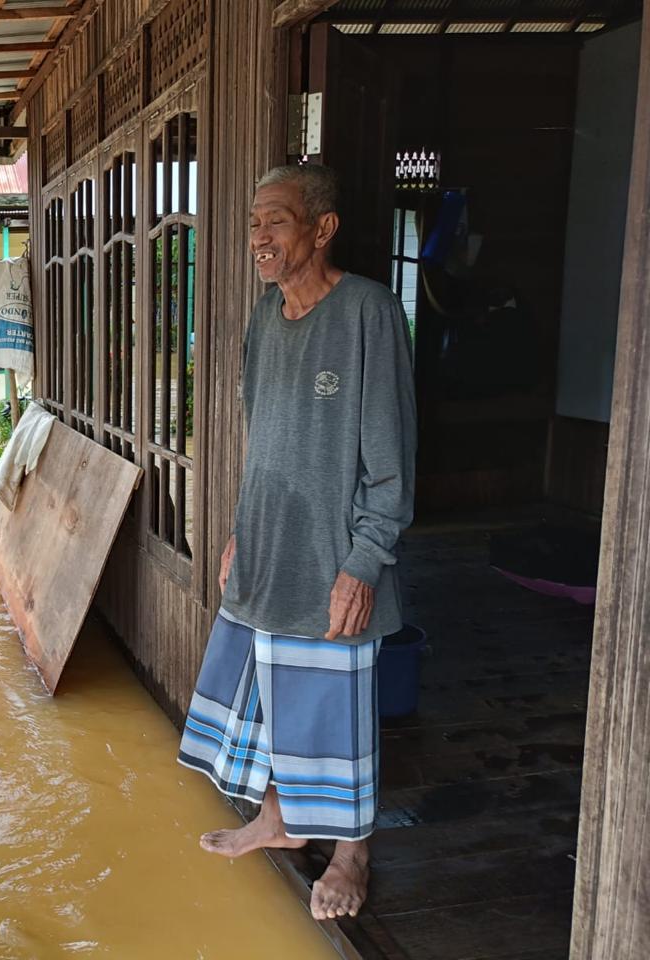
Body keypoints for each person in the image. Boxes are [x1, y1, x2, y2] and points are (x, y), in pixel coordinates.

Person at [177, 164, 416, 922]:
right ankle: (278, 819)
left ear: (323, 227)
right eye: (254, 223)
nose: (260, 237)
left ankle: (353, 855)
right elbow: (264, 436)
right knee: (280, 689)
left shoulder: (368, 312)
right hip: (271, 538)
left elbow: (392, 461)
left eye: (276, 221)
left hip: (335, 549)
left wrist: (364, 560)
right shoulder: (263, 317)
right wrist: (240, 531)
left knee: (339, 703)